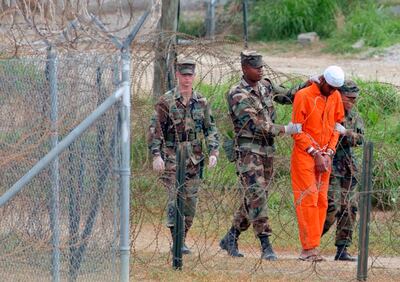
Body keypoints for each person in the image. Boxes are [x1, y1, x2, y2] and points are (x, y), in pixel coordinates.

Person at [219, 50, 300, 261]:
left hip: (266, 151)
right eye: (256, 67)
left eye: (262, 67)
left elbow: (287, 96)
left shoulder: (265, 85)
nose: (261, 70)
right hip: (248, 150)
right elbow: (255, 126)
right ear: (245, 69)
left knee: (254, 197)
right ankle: (266, 243)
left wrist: (309, 85)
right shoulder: (237, 93)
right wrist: (286, 129)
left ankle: (231, 236)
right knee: (257, 195)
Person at [148, 57, 219, 254]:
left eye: (190, 75)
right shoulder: (167, 101)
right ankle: (176, 240)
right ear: (177, 75)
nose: (187, 79)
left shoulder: (201, 101)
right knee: (174, 198)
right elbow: (156, 130)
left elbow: (210, 129)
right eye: (183, 75)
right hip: (172, 156)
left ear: (194, 76)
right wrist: (156, 155)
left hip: (194, 158)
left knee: (190, 202)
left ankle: (183, 238)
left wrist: (213, 151)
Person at [290, 65, 345, 262]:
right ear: (322, 80)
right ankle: (308, 249)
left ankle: (314, 246)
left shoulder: (335, 96)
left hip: (325, 156)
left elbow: (338, 126)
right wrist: (315, 153)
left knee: (321, 201)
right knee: (308, 200)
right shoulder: (304, 95)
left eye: (335, 89)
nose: (332, 92)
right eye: (329, 87)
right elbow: (296, 130)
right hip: (305, 156)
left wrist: (329, 152)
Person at [321, 80, 364, 261]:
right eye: (349, 98)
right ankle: (310, 242)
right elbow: (322, 134)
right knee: (330, 208)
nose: (352, 102)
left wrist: (345, 133)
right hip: (329, 165)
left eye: (355, 99)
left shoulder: (354, 116)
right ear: (339, 94)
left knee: (349, 208)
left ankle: (342, 249)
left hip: (347, 167)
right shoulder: (327, 110)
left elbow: (360, 138)